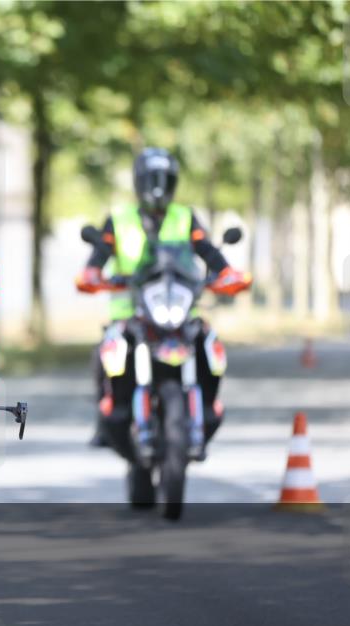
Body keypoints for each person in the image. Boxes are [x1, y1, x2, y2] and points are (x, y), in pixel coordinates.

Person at [76, 148, 249, 456]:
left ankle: (208, 406)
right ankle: (105, 419)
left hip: (179, 309)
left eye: (164, 179)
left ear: (173, 183)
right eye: (150, 179)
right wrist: (91, 273)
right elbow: (99, 255)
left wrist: (226, 273)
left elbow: (207, 250)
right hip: (131, 309)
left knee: (207, 341)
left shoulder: (185, 217)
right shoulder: (119, 219)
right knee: (104, 353)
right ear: (138, 182)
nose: (157, 187)